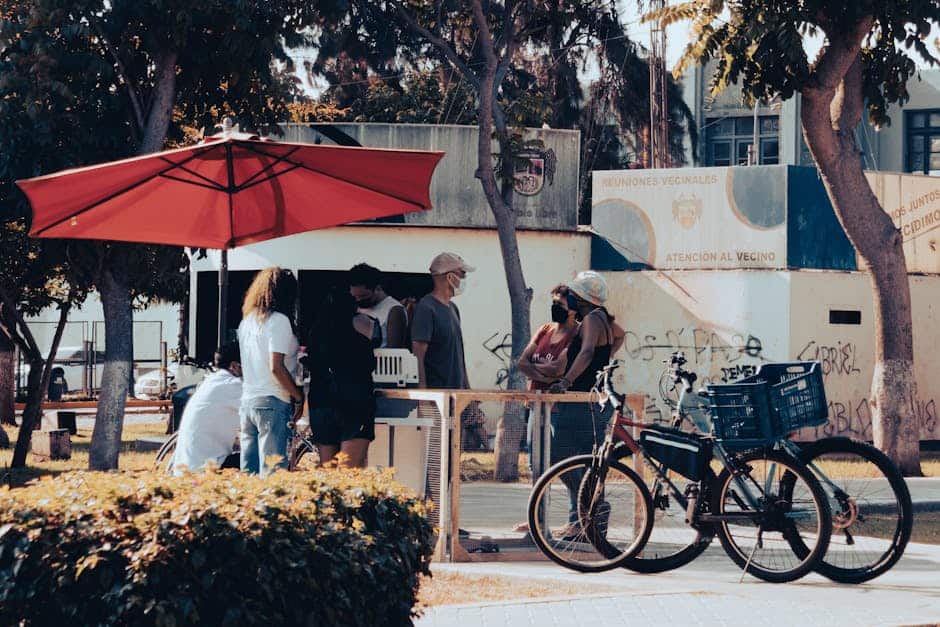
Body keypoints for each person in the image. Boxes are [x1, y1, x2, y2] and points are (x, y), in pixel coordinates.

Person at [548, 271, 621, 537]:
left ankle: (590, 510)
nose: (570, 299)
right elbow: (621, 335)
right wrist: (607, 359)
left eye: (574, 295)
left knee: (557, 457)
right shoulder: (604, 319)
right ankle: (587, 517)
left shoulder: (591, 318)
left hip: (580, 400)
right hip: (595, 400)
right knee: (585, 461)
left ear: (582, 298)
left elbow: (588, 350)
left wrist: (566, 381)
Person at [512, 285, 579, 532]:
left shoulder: (577, 335)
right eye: (553, 303)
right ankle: (537, 519)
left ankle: (577, 519)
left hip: (560, 408)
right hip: (536, 404)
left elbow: (559, 370)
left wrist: (541, 372)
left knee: (566, 462)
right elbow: (522, 361)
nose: (555, 309)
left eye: (560, 305)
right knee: (535, 464)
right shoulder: (544, 330)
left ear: (572, 309)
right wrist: (545, 374)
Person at [237, 267, 302, 477]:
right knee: (273, 473)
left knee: (250, 473)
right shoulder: (279, 321)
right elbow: (276, 367)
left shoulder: (247, 321)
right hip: (273, 399)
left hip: (249, 400)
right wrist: (298, 396)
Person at [305, 291, 381, 468]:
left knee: (329, 472)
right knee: (349, 472)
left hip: (322, 404)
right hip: (355, 404)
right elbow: (369, 365)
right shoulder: (362, 333)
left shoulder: (315, 335)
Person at [172, 342, 242, 475]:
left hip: (187, 466)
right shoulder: (232, 385)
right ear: (234, 366)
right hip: (206, 467)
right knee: (262, 458)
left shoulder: (212, 382)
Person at [411, 252, 474, 390]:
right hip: (436, 395)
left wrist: (468, 390)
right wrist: (423, 391)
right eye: (462, 273)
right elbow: (418, 353)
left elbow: (459, 355)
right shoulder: (426, 308)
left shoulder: (453, 308)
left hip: (456, 394)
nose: (464, 278)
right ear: (450, 277)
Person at [348, 262, 408, 349]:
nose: (358, 300)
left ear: (378, 288)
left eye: (363, 296)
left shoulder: (394, 310)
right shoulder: (354, 306)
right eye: (355, 297)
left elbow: (394, 352)